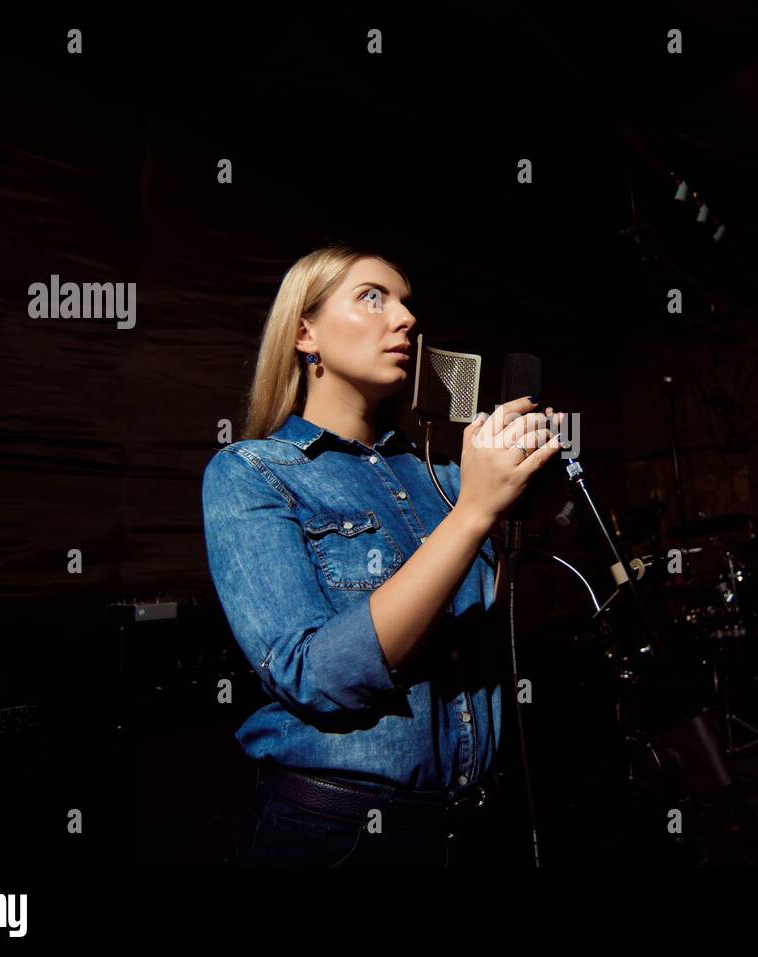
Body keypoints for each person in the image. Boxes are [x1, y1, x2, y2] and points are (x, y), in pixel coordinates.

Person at [201, 244, 563, 867]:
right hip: (340, 840)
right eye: (372, 297)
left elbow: (503, 640)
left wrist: (532, 513)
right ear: (305, 333)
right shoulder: (252, 473)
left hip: (471, 826)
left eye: (405, 303)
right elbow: (314, 677)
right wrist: (474, 514)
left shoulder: (446, 477)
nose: (404, 319)